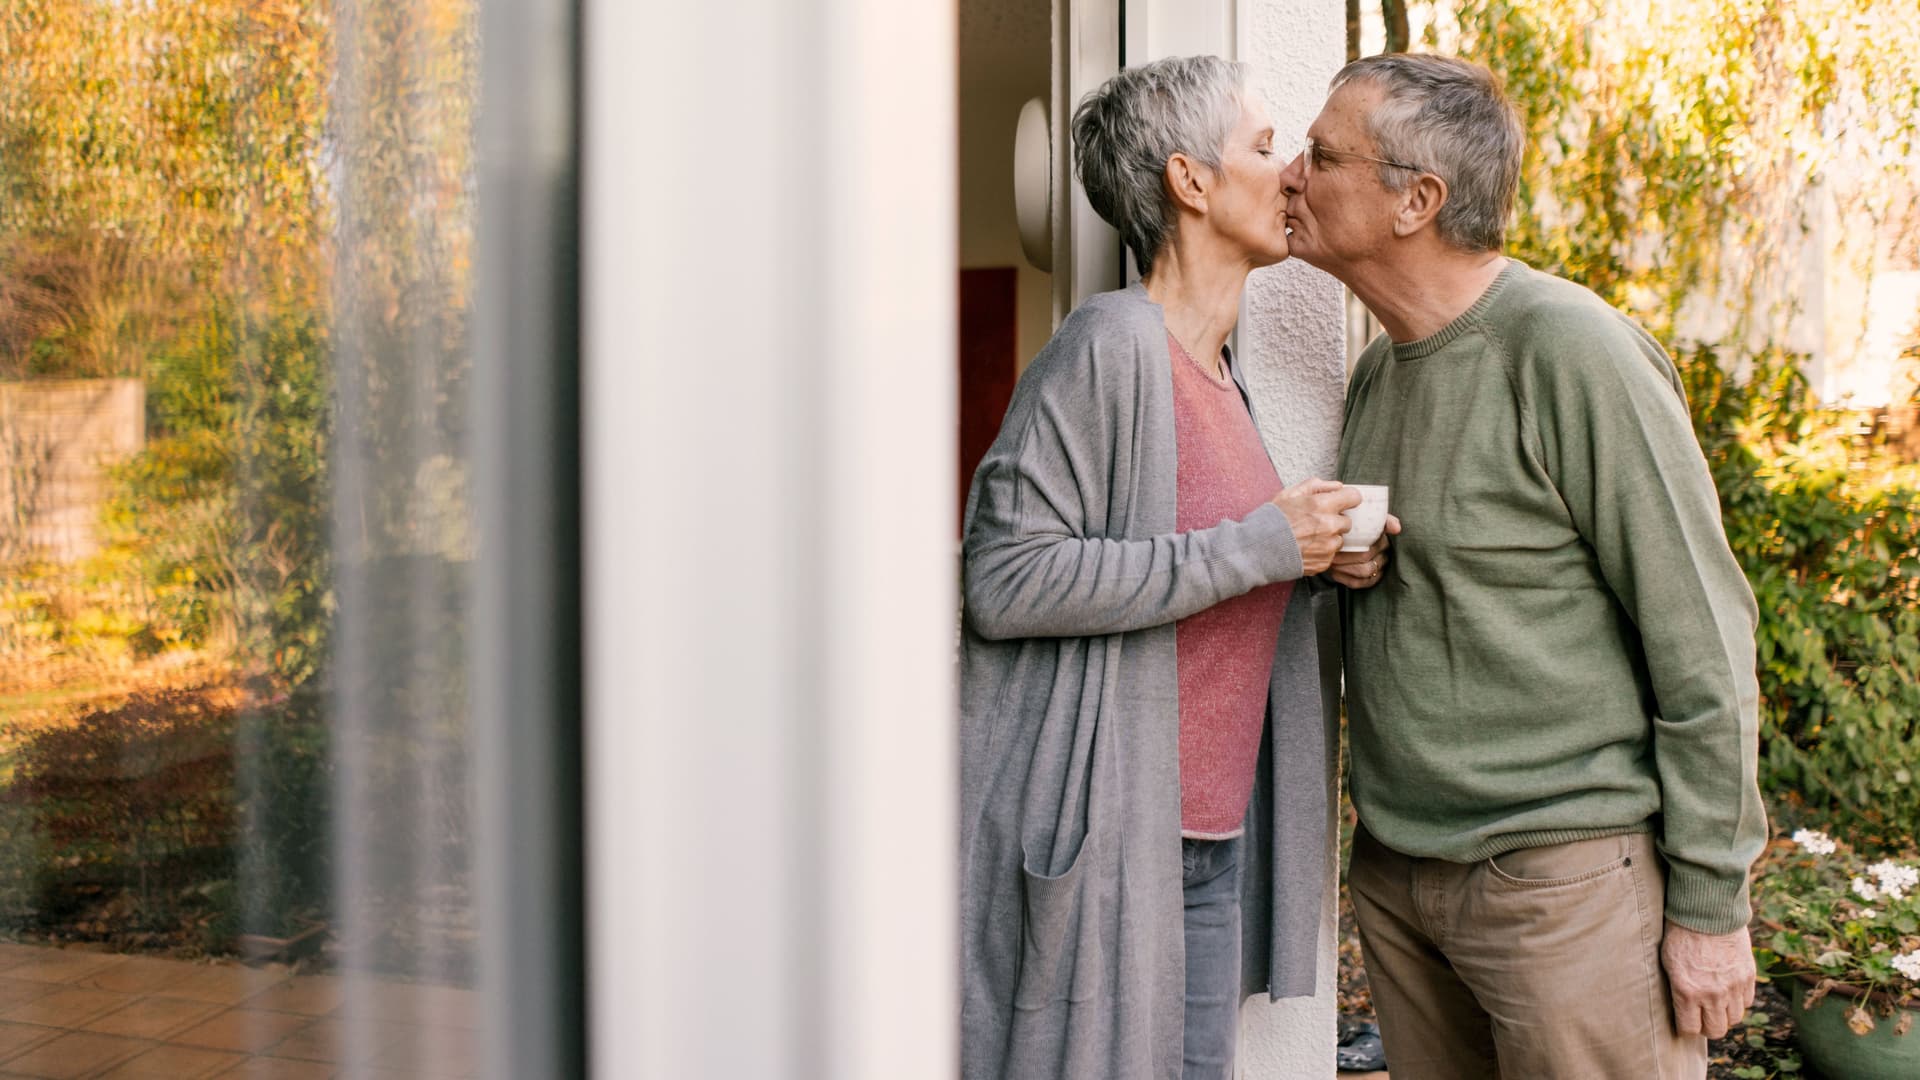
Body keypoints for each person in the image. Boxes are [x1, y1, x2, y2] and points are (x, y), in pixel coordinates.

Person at [1279, 53, 1766, 1079]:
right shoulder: (1379, 370)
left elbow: (1704, 641)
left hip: (1566, 888)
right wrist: (1347, 575)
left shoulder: (1571, 350)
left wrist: (1713, 907)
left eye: (1322, 156)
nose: (1289, 174)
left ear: (1417, 199)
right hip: (1404, 877)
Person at [959, 55, 1393, 1080]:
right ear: (1189, 182)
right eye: (1260, 146)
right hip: (1119, 836)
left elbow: (1202, 570)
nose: (1287, 171)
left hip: (1208, 839)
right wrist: (1261, 546)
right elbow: (1006, 580)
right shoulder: (1110, 346)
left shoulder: (1220, 376)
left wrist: (1314, 565)